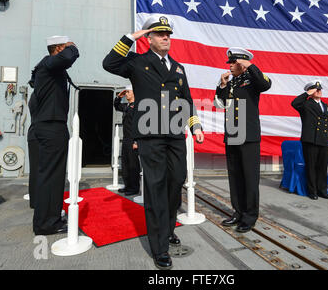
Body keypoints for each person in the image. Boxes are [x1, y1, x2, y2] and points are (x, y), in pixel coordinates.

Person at [103, 15, 204, 270]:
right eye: (159, 34)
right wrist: (131, 37)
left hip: (175, 136)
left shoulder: (178, 68)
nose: (166, 37)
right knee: (156, 187)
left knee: (176, 182)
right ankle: (159, 247)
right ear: (148, 38)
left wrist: (195, 125)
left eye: (168, 34)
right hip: (150, 137)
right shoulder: (137, 62)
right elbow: (109, 63)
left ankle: (168, 228)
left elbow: (187, 100)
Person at [214, 47, 272, 233]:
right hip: (232, 134)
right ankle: (238, 212)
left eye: (233, 63)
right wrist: (222, 86)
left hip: (249, 136)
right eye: (229, 63)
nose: (230, 66)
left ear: (242, 63)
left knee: (249, 177)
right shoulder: (231, 83)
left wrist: (250, 66)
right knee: (235, 177)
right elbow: (219, 103)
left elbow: (266, 85)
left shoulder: (253, 80)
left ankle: (249, 216)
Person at [32, 36, 79, 235]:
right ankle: (46, 224)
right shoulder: (48, 63)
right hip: (52, 127)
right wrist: (72, 47)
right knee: (52, 176)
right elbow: (69, 56)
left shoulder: (48, 70)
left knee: (50, 176)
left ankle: (49, 217)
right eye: (65, 46)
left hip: (47, 126)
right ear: (59, 48)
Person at [291, 80, 328, 200]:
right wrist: (307, 94)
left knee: (322, 166)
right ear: (311, 91)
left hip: (324, 140)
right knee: (311, 166)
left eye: (320, 89)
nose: (319, 91)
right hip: (311, 139)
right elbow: (294, 103)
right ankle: (312, 191)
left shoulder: (325, 106)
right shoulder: (306, 104)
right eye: (316, 89)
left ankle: (322, 190)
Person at [114, 84, 140, 196]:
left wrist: (136, 141)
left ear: (134, 93)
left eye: (128, 92)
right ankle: (127, 186)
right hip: (126, 139)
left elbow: (139, 126)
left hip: (133, 140)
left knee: (133, 165)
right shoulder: (126, 106)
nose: (126, 94)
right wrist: (119, 96)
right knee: (125, 164)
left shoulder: (138, 107)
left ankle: (134, 188)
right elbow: (116, 105)